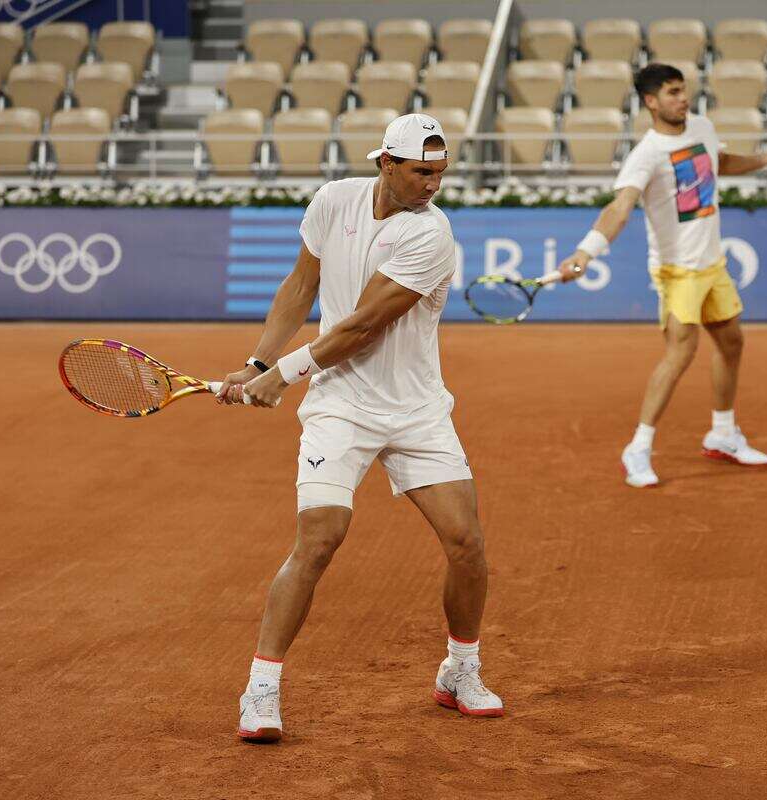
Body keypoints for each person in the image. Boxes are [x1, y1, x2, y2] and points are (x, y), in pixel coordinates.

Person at [216, 113, 504, 743]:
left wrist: (281, 376)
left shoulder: (432, 235)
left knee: (466, 544)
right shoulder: (333, 201)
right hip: (341, 404)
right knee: (320, 538)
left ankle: (461, 667)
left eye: (440, 173)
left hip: (416, 411)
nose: (433, 184)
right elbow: (301, 285)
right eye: (420, 171)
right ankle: (260, 687)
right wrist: (259, 362)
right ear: (386, 163)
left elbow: (360, 326)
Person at [555, 63, 767, 488]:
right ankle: (639, 447)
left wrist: (766, 159)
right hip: (678, 270)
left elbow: (719, 161)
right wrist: (586, 251)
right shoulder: (646, 155)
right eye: (672, 92)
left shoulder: (701, 127)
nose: (682, 99)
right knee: (680, 354)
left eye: (683, 90)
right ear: (651, 101)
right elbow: (620, 207)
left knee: (731, 341)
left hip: (712, 263)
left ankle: (723, 434)